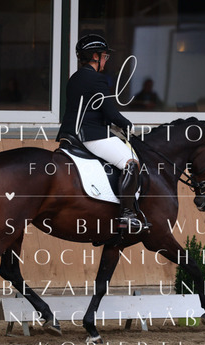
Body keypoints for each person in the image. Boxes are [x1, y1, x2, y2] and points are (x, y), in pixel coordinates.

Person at [56, 34, 142, 231]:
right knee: (130, 162)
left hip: (69, 133)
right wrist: (126, 124)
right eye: (104, 55)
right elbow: (109, 112)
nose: (105, 60)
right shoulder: (97, 79)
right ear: (95, 56)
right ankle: (127, 215)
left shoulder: (74, 78)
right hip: (90, 135)